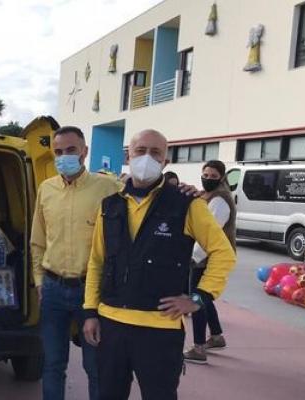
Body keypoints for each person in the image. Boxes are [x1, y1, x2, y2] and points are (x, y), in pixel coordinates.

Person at [82, 129, 236, 400]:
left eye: (156, 153)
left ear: (165, 161)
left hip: (160, 329)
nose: (147, 158)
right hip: (111, 323)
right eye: (141, 151)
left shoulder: (187, 204)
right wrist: (90, 312)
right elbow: (96, 261)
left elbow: (223, 253)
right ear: (129, 155)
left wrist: (198, 298)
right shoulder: (110, 205)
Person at [31, 126, 121, 400]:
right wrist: (38, 282)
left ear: (85, 152)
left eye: (71, 150)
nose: (64, 156)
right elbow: (38, 240)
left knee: (95, 366)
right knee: (53, 364)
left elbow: (146, 200)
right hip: (53, 289)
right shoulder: (46, 189)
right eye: (58, 152)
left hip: (92, 293)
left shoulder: (109, 188)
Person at [184, 160, 237, 364]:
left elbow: (210, 233)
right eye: (205, 174)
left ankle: (198, 348)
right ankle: (216, 336)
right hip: (204, 258)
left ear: (221, 178)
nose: (207, 179)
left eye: (213, 176)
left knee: (196, 300)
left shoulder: (220, 200)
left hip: (208, 258)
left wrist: (192, 257)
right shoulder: (208, 195)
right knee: (203, 297)